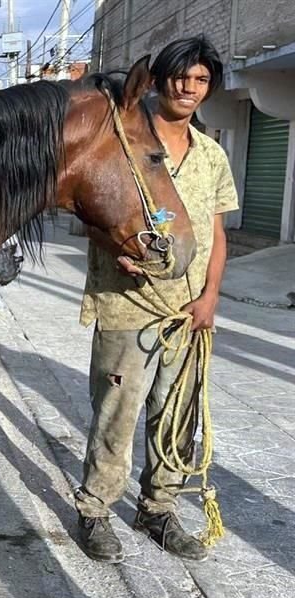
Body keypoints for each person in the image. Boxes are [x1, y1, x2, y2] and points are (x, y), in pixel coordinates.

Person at [75, 35, 239, 563]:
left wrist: (211, 298)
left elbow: (218, 234)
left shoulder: (212, 155)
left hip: (188, 314)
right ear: (161, 79)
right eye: (180, 77)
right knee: (116, 415)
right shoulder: (119, 139)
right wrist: (113, 247)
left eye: (200, 81)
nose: (188, 88)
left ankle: (158, 509)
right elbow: (91, 212)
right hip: (127, 306)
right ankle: (96, 510)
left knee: (175, 418)